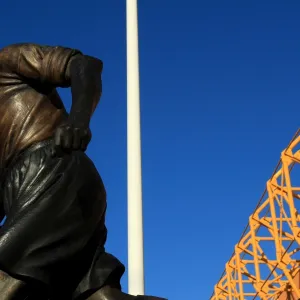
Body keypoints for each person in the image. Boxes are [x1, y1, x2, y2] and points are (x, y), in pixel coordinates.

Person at [0, 43, 166, 300]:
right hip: (30, 192)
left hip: (52, 171)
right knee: (99, 297)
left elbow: (84, 65)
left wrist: (78, 120)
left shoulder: (7, 62)